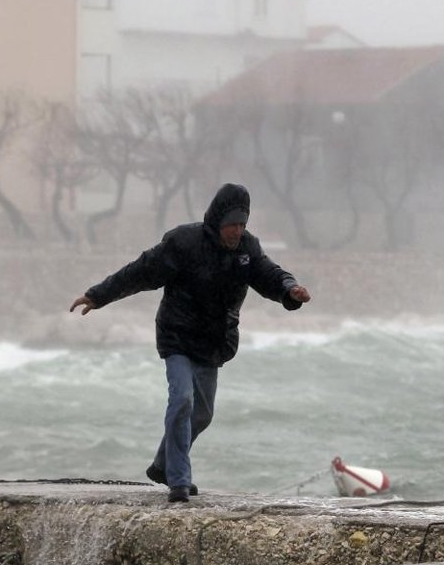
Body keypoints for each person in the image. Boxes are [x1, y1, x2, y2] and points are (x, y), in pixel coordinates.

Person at [69, 183, 311, 502]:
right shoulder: (184, 243)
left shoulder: (246, 249)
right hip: (178, 336)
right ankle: (179, 481)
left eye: (242, 224)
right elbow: (140, 271)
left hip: (213, 342)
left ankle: (162, 464)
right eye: (231, 224)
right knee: (182, 399)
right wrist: (99, 295)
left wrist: (289, 289)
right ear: (216, 221)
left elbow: (269, 274)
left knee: (202, 414)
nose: (237, 231)